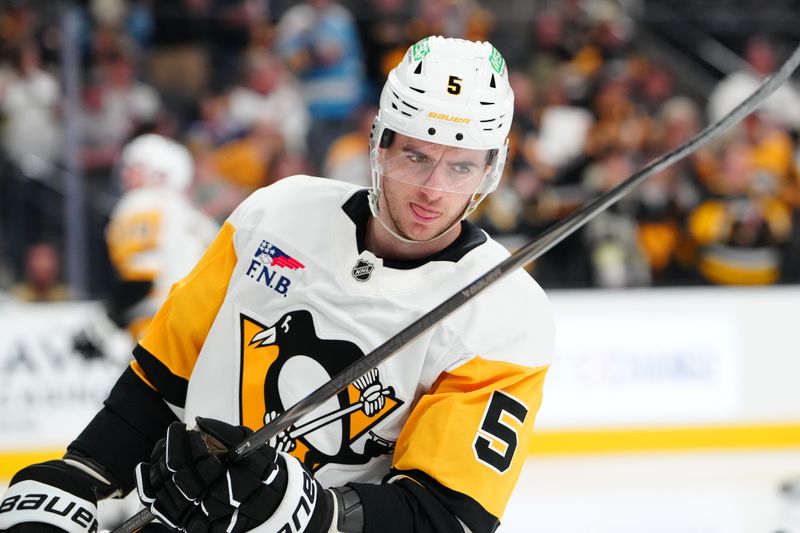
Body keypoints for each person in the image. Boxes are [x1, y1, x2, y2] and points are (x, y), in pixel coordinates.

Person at [0, 37, 554, 533]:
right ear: (379, 142)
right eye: (416, 155)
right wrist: (82, 473)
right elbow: (162, 379)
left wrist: (316, 513)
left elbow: (447, 515)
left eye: (461, 167)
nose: (433, 190)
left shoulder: (507, 315)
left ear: (491, 169)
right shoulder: (278, 211)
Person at [73, 134, 219, 359]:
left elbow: (141, 280)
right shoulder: (195, 217)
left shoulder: (141, 204)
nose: (125, 174)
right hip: (205, 328)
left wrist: (99, 328)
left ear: (159, 171)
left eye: (135, 167)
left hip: (161, 327)